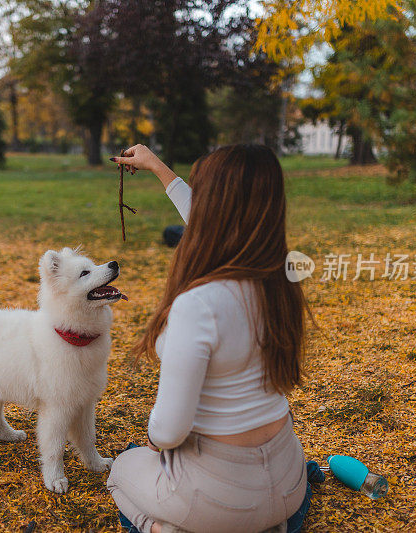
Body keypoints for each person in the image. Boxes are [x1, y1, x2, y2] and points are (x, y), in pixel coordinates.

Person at [106, 144, 309, 533]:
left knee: (123, 468)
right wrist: (158, 168)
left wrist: (151, 449)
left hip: (220, 495)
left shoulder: (199, 304)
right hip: (288, 479)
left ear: (213, 209)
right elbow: (208, 224)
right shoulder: (281, 276)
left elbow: (168, 432)